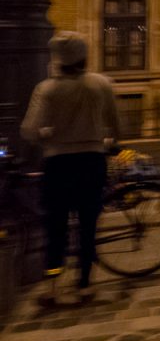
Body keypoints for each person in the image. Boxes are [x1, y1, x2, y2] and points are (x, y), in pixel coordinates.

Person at [20, 31, 121, 305]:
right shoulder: (101, 84)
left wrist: (46, 134)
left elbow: (29, 130)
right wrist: (110, 141)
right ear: (85, 56)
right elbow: (115, 122)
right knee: (88, 226)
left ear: (58, 60)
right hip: (92, 161)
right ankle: (85, 284)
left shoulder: (47, 89)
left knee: (56, 227)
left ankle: (52, 283)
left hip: (58, 164)